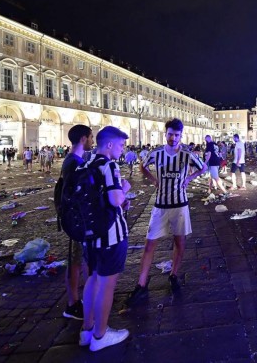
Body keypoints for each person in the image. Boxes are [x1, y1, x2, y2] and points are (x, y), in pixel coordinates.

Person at [126, 119, 207, 306]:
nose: (173, 138)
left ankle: (174, 275)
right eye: (170, 134)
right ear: (166, 134)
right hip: (160, 205)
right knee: (149, 244)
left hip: (180, 205)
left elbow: (202, 167)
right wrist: (154, 180)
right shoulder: (157, 153)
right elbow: (142, 167)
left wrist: (190, 178)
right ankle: (141, 284)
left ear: (181, 135)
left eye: (177, 135)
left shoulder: (186, 155)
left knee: (179, 242)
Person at [80, 126, 131, 351]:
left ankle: (87, 330)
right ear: (109, 145)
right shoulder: (109, 165)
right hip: (110, 235)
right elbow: (115, 199)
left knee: (91, 280)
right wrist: (125, 189)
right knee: (107, 285)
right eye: (121, 145)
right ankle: (100, 336)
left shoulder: (86, 163)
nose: (122, 149)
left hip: (89, 236)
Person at [61, 125, 94, 321]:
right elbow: (79, 192)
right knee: (76, 261)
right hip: (77, 219)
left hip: (74, 218)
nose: (92, 140)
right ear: (83, 139)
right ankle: (73, 304)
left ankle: (75, 301)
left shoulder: (72, 160)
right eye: (91, 137)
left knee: (76, 259)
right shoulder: (75, 163)